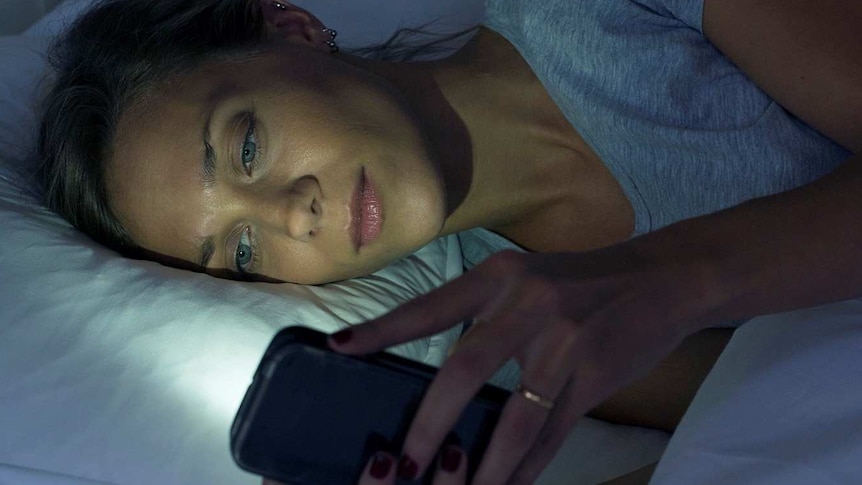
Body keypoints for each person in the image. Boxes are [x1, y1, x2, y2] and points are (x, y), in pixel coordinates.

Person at [38, 0, 862, 483]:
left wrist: (672, 279)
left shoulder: (609, 14)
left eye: (247, 147)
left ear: (290, 30)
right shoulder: (508, 337)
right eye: (242, 251)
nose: (294, 214)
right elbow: (799, 412)